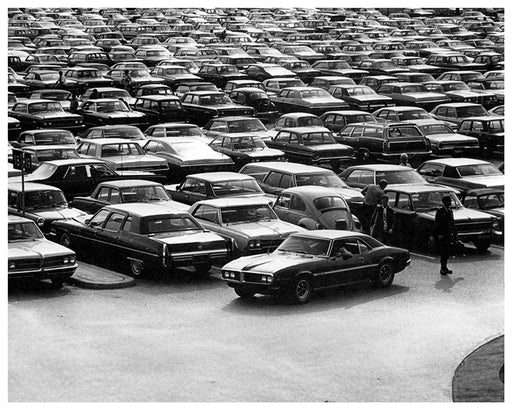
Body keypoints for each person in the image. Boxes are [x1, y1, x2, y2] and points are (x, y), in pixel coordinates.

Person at [434, 195, 457, 275]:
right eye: (448, 201)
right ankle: (443, 268)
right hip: (442, 235)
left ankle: (445, 267)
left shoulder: (450, 211)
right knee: (443, 252)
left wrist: (455, 234)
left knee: (447, 252)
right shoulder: (440, 211)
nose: (450, 203)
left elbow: (452, 223)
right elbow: (437, 224)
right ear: (444, 202)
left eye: (450, 201)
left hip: (448, 234)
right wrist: (439, 234)